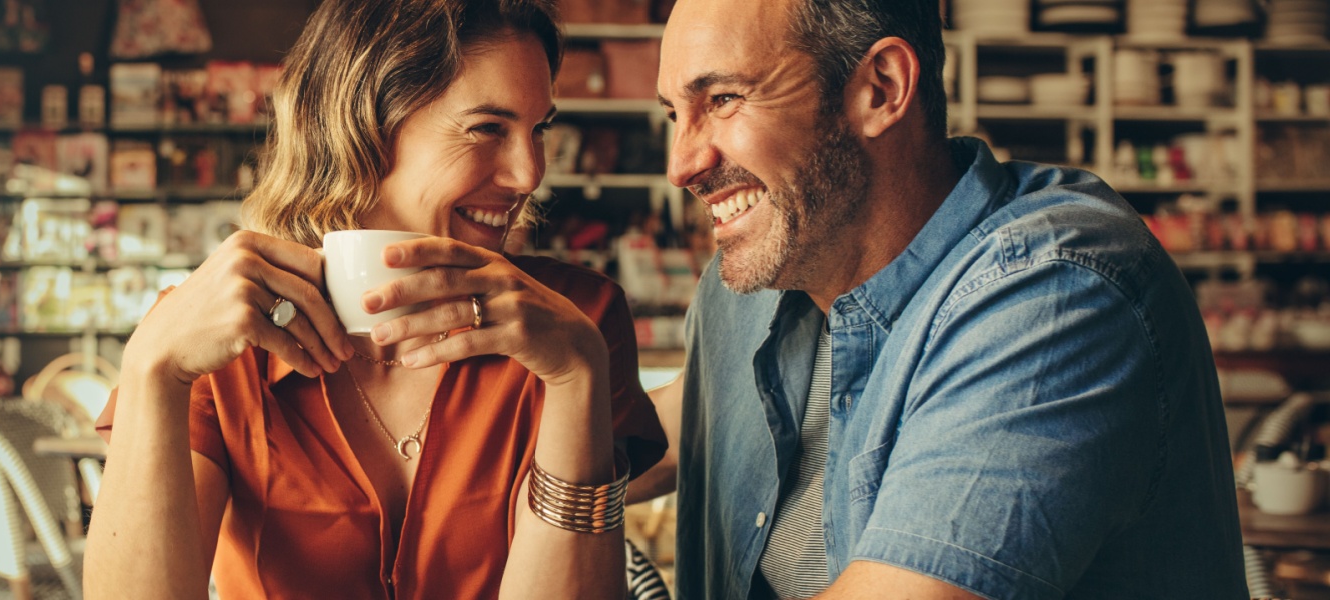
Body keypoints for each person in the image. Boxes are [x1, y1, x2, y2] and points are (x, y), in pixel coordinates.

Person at [645, 0, 1249, 597]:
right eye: (675, 114)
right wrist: (573, 369)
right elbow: (682, 428)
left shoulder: (1052, 295)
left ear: (881, 89)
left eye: (722, 100)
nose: (682, 165)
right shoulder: (763, 277)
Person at [82, 0, 666, 598]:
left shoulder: (575, 323)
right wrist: (151, 368)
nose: (529, 172)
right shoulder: (219, 334)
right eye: (488, 128)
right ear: (363, 126)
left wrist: (577, 377)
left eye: (538, 130)